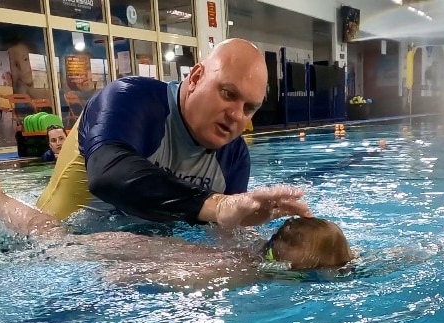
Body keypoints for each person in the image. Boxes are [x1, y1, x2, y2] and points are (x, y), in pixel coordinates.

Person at [34, 38, 310, 229]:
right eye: (228, 94)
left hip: (137, 242)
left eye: (249, 108)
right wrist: (216, 205)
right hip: (58, 238)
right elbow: (108, 175)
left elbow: (224, 230)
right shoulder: (130, 98)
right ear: (196, 77)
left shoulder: (234, 156)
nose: (237, 115)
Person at [0, 173, 353, 288]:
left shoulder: (250, 246)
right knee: (52, 242)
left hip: (135, 242)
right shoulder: (243, 272)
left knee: (57, 236)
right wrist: (132, 276)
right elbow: (187, 278)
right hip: (123, 252)